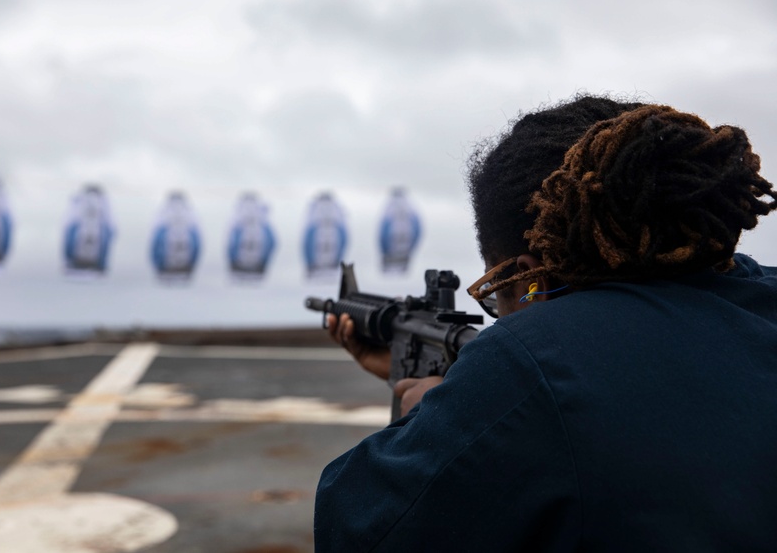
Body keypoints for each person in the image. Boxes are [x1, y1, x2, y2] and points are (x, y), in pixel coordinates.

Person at [314, 96, 777, 551]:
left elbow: (357, 529)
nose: (505, 316)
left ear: (532, 275)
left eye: (499, 293)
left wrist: (427, 410)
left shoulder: (530, 363)